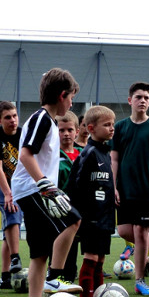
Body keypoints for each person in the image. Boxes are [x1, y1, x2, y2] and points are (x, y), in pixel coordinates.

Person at [10, 68, 82, 297]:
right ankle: (56, 276)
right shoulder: (42, 118)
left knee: (39, 252)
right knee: (73, 221)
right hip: (32, 189)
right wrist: (44, 185)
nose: (72, 103)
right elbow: (26, 155)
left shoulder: (47, 120)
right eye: (71, 97)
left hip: (34, 188)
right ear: (62, 95)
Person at [111, 82, 149, 296]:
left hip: (147, 189)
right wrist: (114, 185)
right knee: (124, 231)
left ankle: (139, 280)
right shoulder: (120, 127)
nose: (143, 101)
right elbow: (115, 158)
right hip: (124, 189)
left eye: (146, 97)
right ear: (130, 101)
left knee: (140, 230)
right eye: (138, 97)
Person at [66, 105, 117, 297]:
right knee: (91, 258)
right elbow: (73, 187)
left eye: (112, 124)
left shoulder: (106, 153)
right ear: (90, 128)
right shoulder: (88, 154)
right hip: (91, 217)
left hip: (105, 216)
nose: (111, 128)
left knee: (101, 260)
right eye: (107, 125)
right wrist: (79, 216)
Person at [0, 101, 24, 290]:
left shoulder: (23, 134)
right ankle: (15, 258)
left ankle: (5, 277)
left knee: (10, 232)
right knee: (13, 212)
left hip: (18, 186)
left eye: (15, 116)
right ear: (0, 120)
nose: (12, 120)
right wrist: (8, 194)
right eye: (8, 117)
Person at [57, 111, 82, 282]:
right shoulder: (52, 155)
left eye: (70, 130)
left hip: (82, 209)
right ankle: (57, 279)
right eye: (61, 130)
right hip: (60, 209)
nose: (66, 134)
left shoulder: (84, 153)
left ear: (77, 131)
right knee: (63, 246)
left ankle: (74, 279)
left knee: (80, 247)